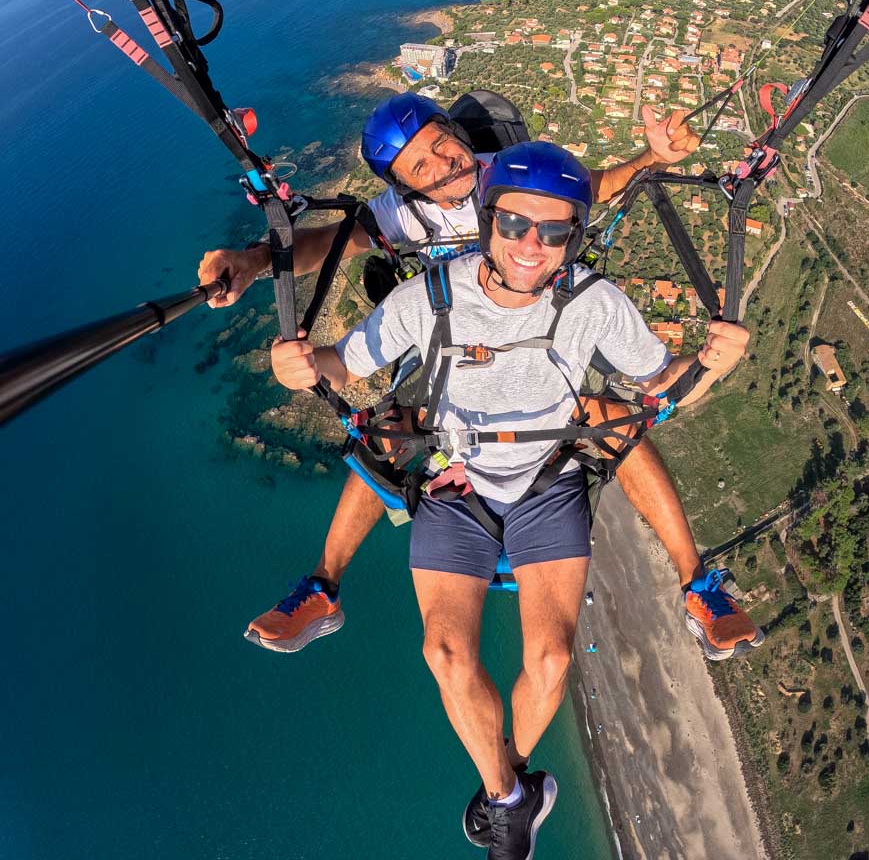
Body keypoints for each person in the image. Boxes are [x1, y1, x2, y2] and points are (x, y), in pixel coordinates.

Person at [270, 142, 754, 858]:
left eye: (554, 231)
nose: (532, 246)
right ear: (489, 220)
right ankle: (506, 798)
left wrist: (711, 362)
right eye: (516, 225)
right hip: (456, 483)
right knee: (444, 652)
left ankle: (510, 787)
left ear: (574, 237)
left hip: (544, 483)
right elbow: (346, 362)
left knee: (552, 658)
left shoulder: (592, 303)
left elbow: (661, 381)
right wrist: (304, 364)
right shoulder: (429, 297)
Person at [197, 92, 756, 661]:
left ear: (456, 132)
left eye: (442, 144)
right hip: (453, 339)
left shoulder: (510, 175)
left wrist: (653, 157)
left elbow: (597, 185)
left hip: (539, 323)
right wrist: (254, 261)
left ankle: (696, 585)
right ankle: (323, 586)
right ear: (404, 186)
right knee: (387, 430)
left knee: (615, 420)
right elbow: (325, 244)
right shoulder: (402, 213)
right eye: (421, 167)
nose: (444, 164)